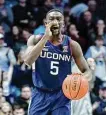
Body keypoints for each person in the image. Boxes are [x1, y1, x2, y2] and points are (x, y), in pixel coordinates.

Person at [24, 9, 92, 115]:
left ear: (63, 24)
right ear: (46, 23)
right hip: (40, 93)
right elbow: (28, 60)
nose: (55, 21)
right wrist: (45, 37)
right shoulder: (35, 39)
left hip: (62, 95)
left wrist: (80, 81)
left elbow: (86, 71)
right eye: (51, 19)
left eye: (58, 19)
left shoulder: (72, 45)